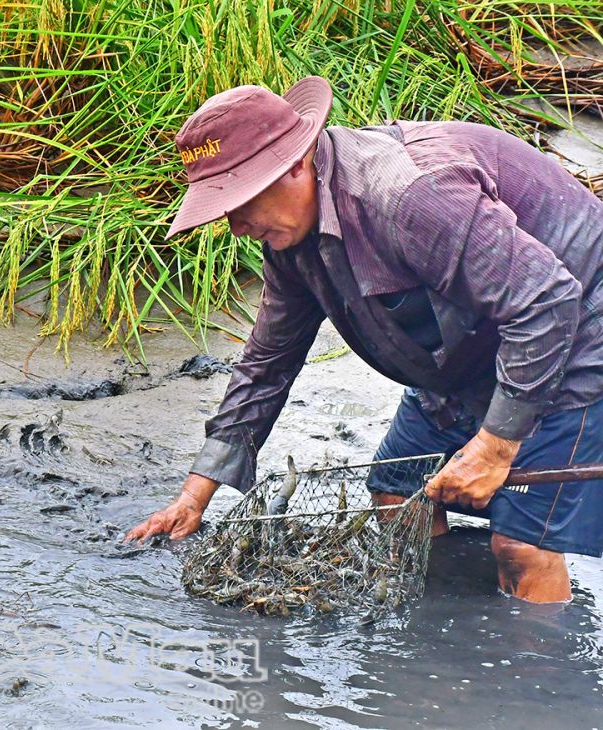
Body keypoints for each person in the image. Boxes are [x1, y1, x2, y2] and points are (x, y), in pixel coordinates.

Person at [124, 77, 603, 603]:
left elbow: (547, 302)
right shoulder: (290, 235)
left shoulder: (412, 195)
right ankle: (438, 636)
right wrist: (196, 495)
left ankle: (533, 674)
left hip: (575, 330)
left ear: (295, 165)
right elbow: (268, 360)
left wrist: (495, 446)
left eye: (241, 202)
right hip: (464, 351)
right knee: (397, 496)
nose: (236, 227)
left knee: (521, 546)